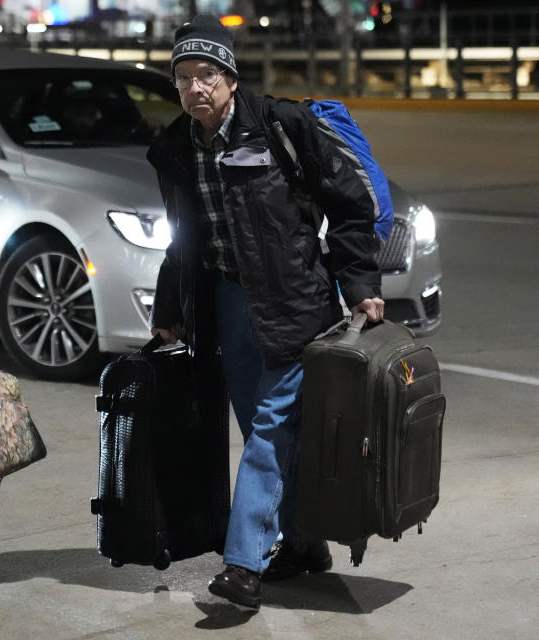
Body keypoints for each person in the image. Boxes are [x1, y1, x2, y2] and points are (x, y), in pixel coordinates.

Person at [147, 15, 385, 610]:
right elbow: (183, 238)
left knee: (270, 428)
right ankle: (304, 545)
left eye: (207, 75)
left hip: (295, 298)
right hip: (228, 300)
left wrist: (358, 283)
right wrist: (172, 306)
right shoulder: (175, 147)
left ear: (230, 77)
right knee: (267, 428)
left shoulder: (282, 126)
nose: (195, 88)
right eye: (183, 78)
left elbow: (351, 203)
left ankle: (243, 564)